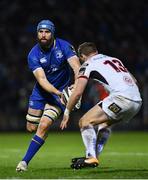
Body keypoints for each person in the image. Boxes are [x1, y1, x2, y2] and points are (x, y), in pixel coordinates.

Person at [60, 42, 142, 169]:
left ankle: (90, 156)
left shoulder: (87, 64)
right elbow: (135, 81)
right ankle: (93, 158)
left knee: (84, 121)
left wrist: (67, 111)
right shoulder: (114, 59)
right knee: (104, 124)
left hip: (121, 99)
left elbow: (77, 93)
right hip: (136, 101)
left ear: (82, 56)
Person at [16, 19, 81, 172]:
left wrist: (77, 86)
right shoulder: (33, 54)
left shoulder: (64, 46)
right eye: (40, 32)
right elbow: (42, 80)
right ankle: (41, 135)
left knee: (44, 125)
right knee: (31, 128)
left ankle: (24, 162)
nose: (43, 35)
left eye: (47, 31)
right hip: (41, 93)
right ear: (37, 33)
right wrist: (57, 92)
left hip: (58, 96)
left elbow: (77, 67)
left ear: (52, 33)